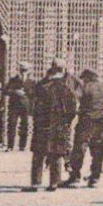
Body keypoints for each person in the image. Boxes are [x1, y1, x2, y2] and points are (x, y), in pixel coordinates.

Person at [28, 60, 78, 191]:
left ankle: (36, 182)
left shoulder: (42, 87)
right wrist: (66, 121)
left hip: (43, 125)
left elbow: (34, 107)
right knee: (56, 154)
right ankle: (54, 182)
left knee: (38, 154)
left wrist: (38, 121)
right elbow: (73, 108)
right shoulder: (66, 89)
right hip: (60, 126)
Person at [70, 68, 103, 187]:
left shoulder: (84, 87)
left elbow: (75, 98)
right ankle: (95, 178)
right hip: (101, 122)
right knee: (98, 151)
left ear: (87, 78)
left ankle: (75, 177)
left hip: (86, 121)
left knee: (79, 149)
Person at [4, 62, 34, 151]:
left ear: (28, 71)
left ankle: (22, 146)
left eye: (25, 70)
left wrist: (27, 93)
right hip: (14, 105)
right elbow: (6, 90)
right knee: (12, 124)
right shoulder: (13, 80)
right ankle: (10, 145)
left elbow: (33, 94)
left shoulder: (31, 82)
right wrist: (15, 91)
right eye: (22, 70)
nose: (23, 72)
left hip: (25, 106)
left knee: (24, 125)